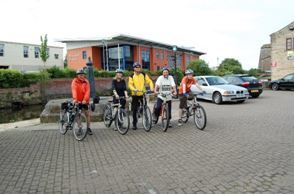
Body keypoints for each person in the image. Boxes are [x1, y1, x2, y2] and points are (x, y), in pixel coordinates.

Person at [128, 62, 154, 130]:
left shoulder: (143, 74)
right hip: (135, 94)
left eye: (139, 67)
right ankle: (134, 124)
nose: (138, 68)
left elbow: (149, 81)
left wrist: (151, 88)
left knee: (145, 107)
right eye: (137, 67)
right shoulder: (131, 75)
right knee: (134, 109)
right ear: (134, 68)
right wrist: (134, 89)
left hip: (142, 93)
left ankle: (146, 121)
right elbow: (130, 85)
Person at [71, 68, 93, 135]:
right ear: (77, 75)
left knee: (87, 114)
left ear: (84, 75)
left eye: (82, 74)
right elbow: (74, 90)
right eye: (79, 75)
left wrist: (85, 100)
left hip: (85, 101)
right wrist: (75, 99)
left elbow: (87, 91)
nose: (81, 76)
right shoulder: (74, 81)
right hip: (77, 100)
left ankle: (88, 128)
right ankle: (80, 128)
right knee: (77, 114)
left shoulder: (86, 82)